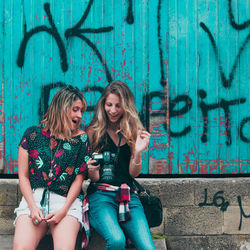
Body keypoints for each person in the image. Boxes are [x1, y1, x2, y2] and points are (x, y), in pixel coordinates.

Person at [13, 85, 89, 250]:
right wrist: (32, 207)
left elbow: (79, 179)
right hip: (34, 199)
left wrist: (64, 210)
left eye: (81, 111)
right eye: (75, 109)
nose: (80, 115)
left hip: (65, 201)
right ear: (62, 108)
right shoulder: (32, 134)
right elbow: (23, 176)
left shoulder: (82, 140)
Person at [86, 81, 156, 250]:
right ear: (103, 104)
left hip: (128, 196)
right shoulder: (94, 131)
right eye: (109, 105)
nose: (113, 110)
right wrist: (92, 171)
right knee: (117, 240)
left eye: (118, 106)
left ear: (126, 107)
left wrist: (137, 152)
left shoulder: (133, 131)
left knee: (148, 248)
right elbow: (93, 179)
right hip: (101, 196)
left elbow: (133, 173)